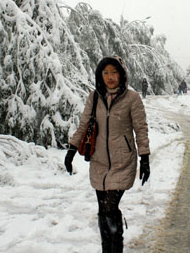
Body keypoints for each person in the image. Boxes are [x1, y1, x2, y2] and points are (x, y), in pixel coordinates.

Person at [64, 56, 150, 253]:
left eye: (114, 72)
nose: (110, 77)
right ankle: (107, 249)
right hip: (99, 162)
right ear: (100, 75)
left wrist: (144, 157)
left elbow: (141, 128)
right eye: (106, 73)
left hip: (122, 162)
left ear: (121, 74)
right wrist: (71, 150)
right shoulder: (94, 97)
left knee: (110, 208)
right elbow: (84, 124)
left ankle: (115, 248)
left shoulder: (132, 98)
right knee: (103, 211)